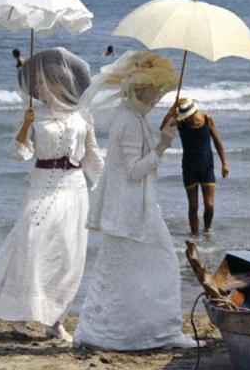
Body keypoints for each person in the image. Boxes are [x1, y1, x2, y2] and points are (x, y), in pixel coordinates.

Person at [74, 52, 204, 351]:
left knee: (124, 271)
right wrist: (163, 145)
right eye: (153, 91)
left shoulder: (131, 116)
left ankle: (124, 330)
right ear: (140, 90)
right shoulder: (130, 121)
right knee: (162, 264)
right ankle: (159, 331)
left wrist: (162, 132)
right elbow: (135, 170)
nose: (156, 96)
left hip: (131, 207)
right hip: (131, 208)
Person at [0, 48, 104, 343]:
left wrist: (108, 189)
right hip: (42, 183)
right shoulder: (34, 113)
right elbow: (18, 153)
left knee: (69, 254)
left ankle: (56, 321)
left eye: (52, 81)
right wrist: (24, 125)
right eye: (42, 82)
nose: (46, 86)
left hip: (74, 187)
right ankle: (19, 313)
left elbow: (93, 157)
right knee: (31, 242)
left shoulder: (82, 115)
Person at [169, 98, 228, 235]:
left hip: (206, 167)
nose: (187, 119)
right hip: (189, 168)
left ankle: (207, 230)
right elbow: (163, 127)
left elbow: (217, 142)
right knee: (193, 206)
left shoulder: (207, 119)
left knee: (209, 205)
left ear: (194, 111)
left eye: (188, 116)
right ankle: (194, 236)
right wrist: (172, 108)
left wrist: (224, 163)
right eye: (185, 117)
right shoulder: (180, 123)